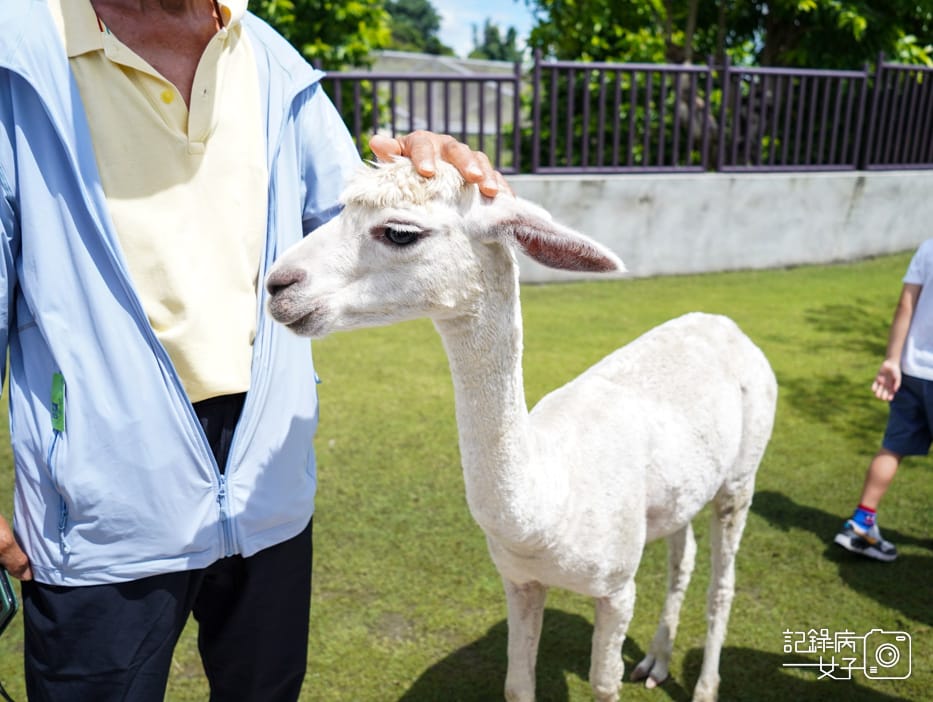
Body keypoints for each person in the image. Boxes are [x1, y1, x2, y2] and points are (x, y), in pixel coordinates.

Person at [0, 1, 505, 700]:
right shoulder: (17, 56)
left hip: (269, 488)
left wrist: (428, 181)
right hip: (100, 505)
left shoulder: (270, 58)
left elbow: (350, 224)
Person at [833, 239, 933, 562]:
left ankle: (861, 524)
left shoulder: (929, 248)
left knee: (893, 446)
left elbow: (906, 304)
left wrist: (892, 359)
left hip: (911, 372)